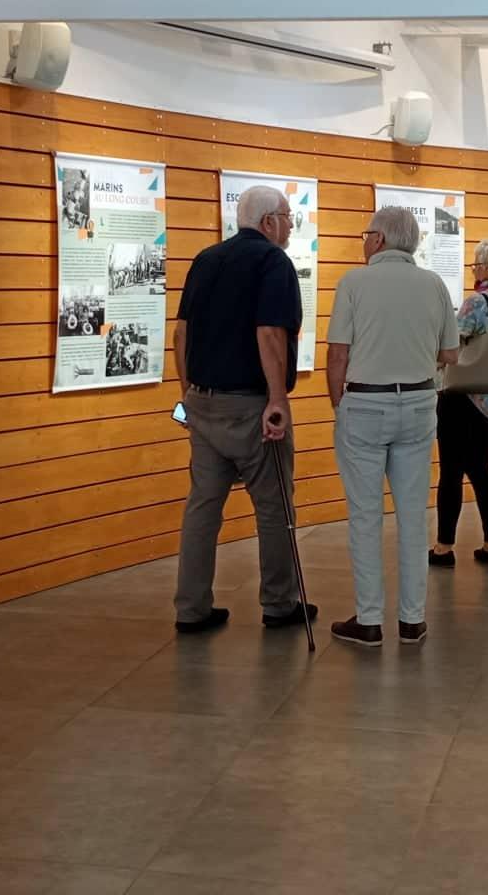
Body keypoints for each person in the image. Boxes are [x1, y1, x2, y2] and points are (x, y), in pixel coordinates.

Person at [170, 184, 315, 635]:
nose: (292, 225)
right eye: (289, 216)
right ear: (269, 221)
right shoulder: (273, 261)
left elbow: (181, 334)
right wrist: (277, 399)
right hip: (251, 406)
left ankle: (191, 608)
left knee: (202, 507)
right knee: (273, 506)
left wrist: (188, 393)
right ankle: (278, 603)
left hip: (203, 402)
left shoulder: (206, 259)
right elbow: (270, 332)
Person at [327, 205, 458, 648]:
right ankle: (412, 619)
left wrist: (338, 405)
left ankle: (368, 619)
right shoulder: (434, 284)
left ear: (379, 240)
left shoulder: (353, 282)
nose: (363, 241)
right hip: (420, 404)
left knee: (365, 516)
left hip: (364, 403)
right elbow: (451, 354)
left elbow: (338, 355)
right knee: (412, 515)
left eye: (367, 234)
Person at [431, 236, 488, 569]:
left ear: (487, 267)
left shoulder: (476, 303)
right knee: (482, 470)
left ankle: (444, 547)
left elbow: (450, 346)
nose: (474, 269)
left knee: (451, 473)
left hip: (459, 396)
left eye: (476, 264)